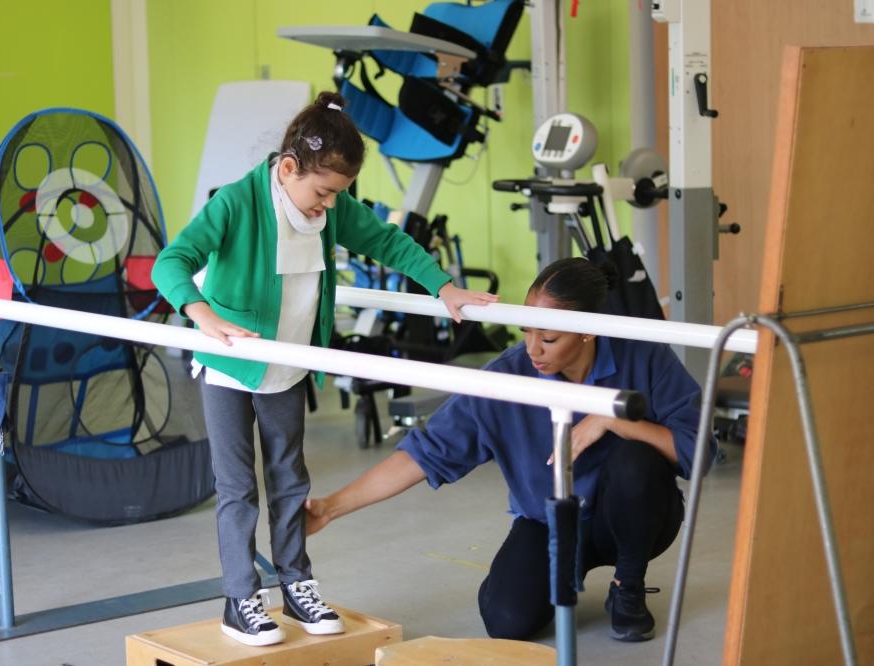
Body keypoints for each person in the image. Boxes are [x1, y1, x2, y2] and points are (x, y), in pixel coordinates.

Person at [151, 91, 497, 647]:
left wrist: (443, 286)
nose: (330, 205)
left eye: (339, 194)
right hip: (230, 365)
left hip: (291, 363)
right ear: (288, 169)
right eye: (323, 192)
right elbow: (174, 260)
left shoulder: (327, 207)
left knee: (290, 480)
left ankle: (295, 581)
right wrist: (200, 314)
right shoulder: (238, 203)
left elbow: (387, 240)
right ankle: (240, 598)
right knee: (239, 488)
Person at [305, 257, 715, 643]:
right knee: (507, 620)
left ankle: (628, 585)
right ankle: (555, 571)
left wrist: (614, 420)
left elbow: (701, 452)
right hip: (548, 521)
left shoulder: (644, 355)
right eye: (526, 330)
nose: (533, 349)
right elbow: (423, 453)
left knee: (637, 459)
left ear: (589, 330)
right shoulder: (507, 376)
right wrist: (331, 507)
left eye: (549, 338)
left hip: (627, 517)